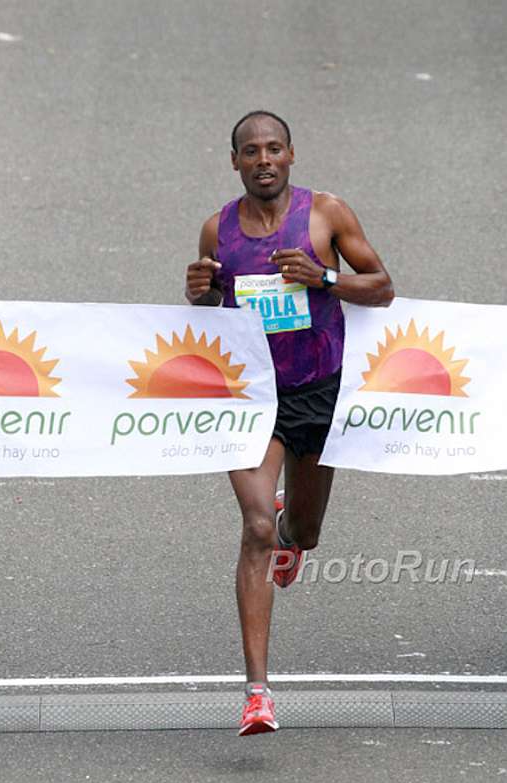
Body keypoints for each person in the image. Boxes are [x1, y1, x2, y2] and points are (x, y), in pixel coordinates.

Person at [185, 110, 394, 736]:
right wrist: (198, 292)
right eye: (250, 151)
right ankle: (257, 693)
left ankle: (288, 526)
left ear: (291, 154)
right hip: (248, 396)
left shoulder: (327, 214)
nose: (263, 159)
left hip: (318, 392)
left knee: (301, 532)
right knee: (253, 528)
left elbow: (382, 285)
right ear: (235, 162)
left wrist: (324, 277)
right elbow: (208, 308)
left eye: (274, 148)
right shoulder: (217, 230)